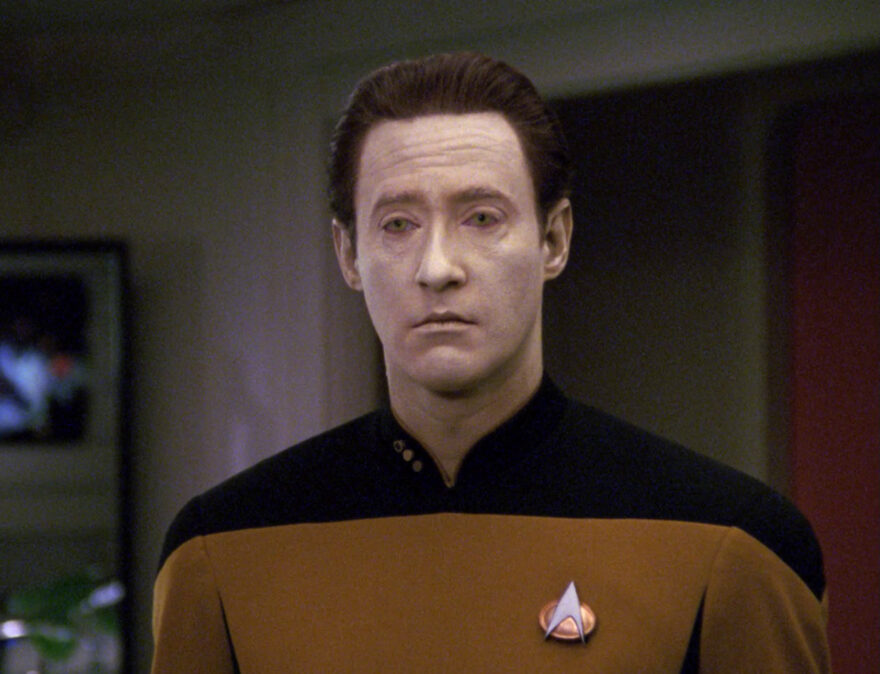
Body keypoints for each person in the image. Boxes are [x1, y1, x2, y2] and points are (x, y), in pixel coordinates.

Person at [150, 52, 829, 672]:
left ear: (554, 239)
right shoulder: (221, 553)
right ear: (349, 255)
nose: (437, 267)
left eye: (481, 218)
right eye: (397, 224)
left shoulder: (731, 544)